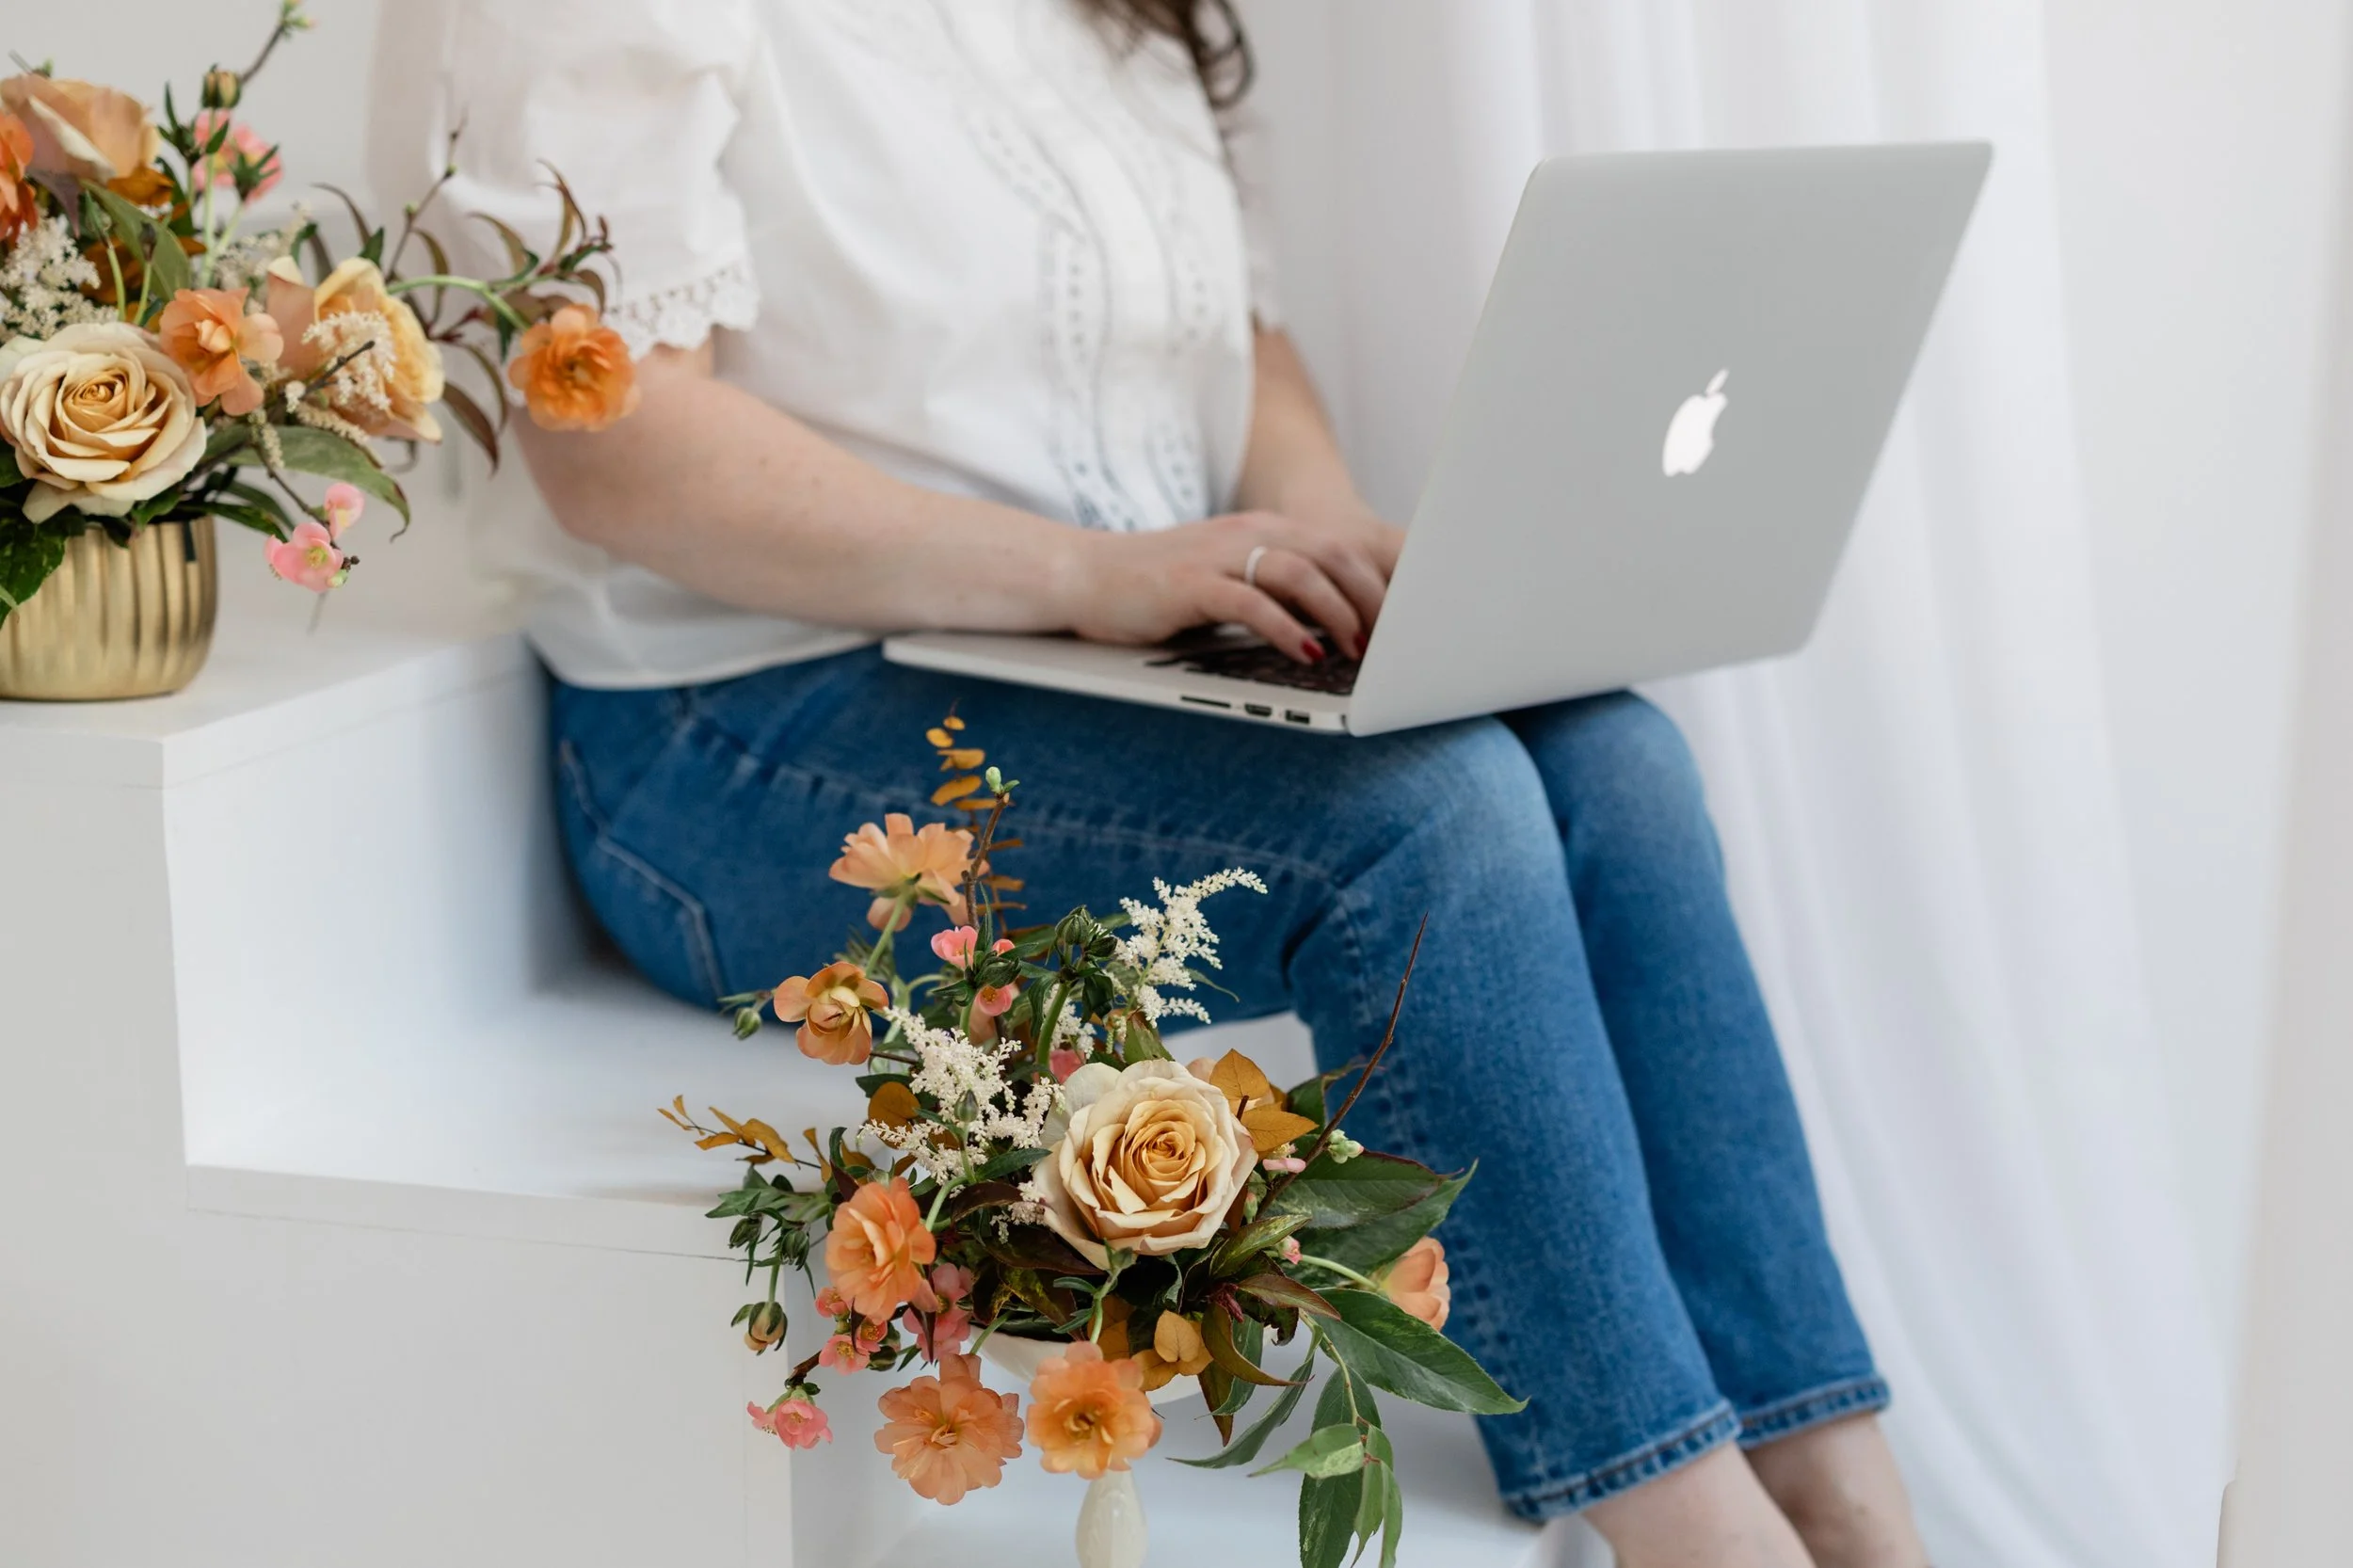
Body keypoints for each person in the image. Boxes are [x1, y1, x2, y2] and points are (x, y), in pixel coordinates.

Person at [392, 2, 1931, 1562]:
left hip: (1095, 661)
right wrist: (1088, 573)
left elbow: (1239, 346)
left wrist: (1334, 562)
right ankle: (1698, 1532)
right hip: (739, 734)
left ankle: (1851, 1497)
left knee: (1618, 755)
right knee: (1428, 824)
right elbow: (616, 441)